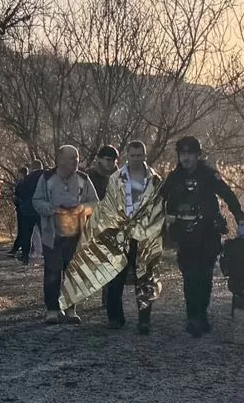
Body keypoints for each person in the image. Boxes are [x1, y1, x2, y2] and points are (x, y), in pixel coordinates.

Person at [158, 135, 244, 336]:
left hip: (208, 232)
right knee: (189, 276)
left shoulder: (208, 175)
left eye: (190, 153)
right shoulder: (174, 177)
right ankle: (193, 317)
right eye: (182, 153)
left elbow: (228, 195)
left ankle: (202, 314)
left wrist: (240, 220)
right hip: (184, 233)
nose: (186, 158)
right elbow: (159, 200)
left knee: (204, 275)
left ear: (198, 155)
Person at [32, 145, 99, 324]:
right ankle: (52, 310)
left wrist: (80, 209)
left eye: (77, 158)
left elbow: (94, 202)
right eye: (72, 158)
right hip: (52, 234)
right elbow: (36, 201)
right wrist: (52, 209)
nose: (76, 161)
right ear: (60, 160)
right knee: (52, 272)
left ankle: (71, 309)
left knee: (73, 273)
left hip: (76, 235)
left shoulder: (83, 179)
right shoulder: (47, 178)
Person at [103, 141, 161, 332]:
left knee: (145, 277)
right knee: (116, 275)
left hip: (144, 233)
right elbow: (109, 205)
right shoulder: (116, 178)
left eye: (139, 155)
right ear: (127, 156)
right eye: (133, 155)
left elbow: (159, 207)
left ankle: (144, 319)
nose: (136, 159)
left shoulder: (154, 179)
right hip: (121, 232)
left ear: (145, 156)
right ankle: (115, 317)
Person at [10, 162, 45, 263]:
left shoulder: (27, 178)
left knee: (27, 234)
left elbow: (19, 192)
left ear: (32, 168)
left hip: (28, 209)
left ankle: (25, 256)